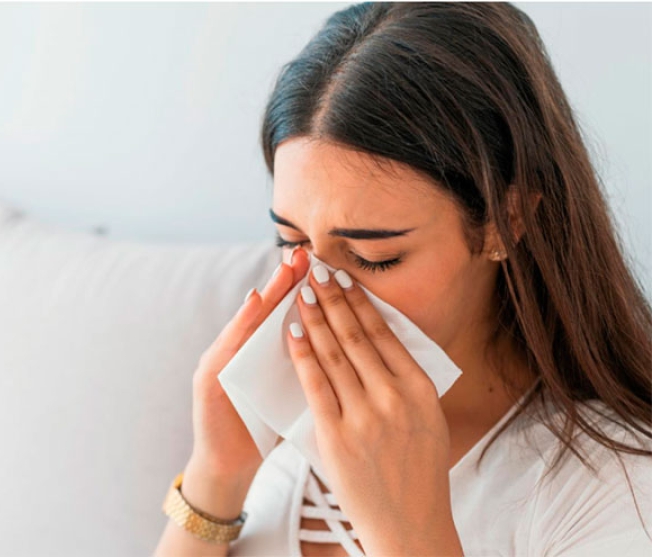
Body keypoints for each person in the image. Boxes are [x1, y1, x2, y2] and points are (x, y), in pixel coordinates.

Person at [154, 2, 652, 556]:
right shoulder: (281, 434)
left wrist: (407, 534)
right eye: (292, 243)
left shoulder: (617, 489)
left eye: (374, 256)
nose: (316, 288)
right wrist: (216, 475)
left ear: (506, 223)